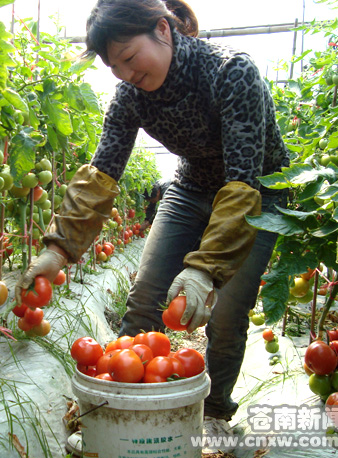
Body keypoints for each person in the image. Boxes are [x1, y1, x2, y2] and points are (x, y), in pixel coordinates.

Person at [15, 0, 289, 453]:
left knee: (228, 311)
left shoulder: (230, 72)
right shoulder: (131, 97)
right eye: (114, 66)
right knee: (144, 294)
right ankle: (115, 405)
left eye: (129, 57)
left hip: (255, 192)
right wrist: (58, 249)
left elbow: (242, 180)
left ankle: (215, 412)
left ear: (163, 29)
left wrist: (205, 269)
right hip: (189, 188)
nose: (124, 73)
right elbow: (104, 171)